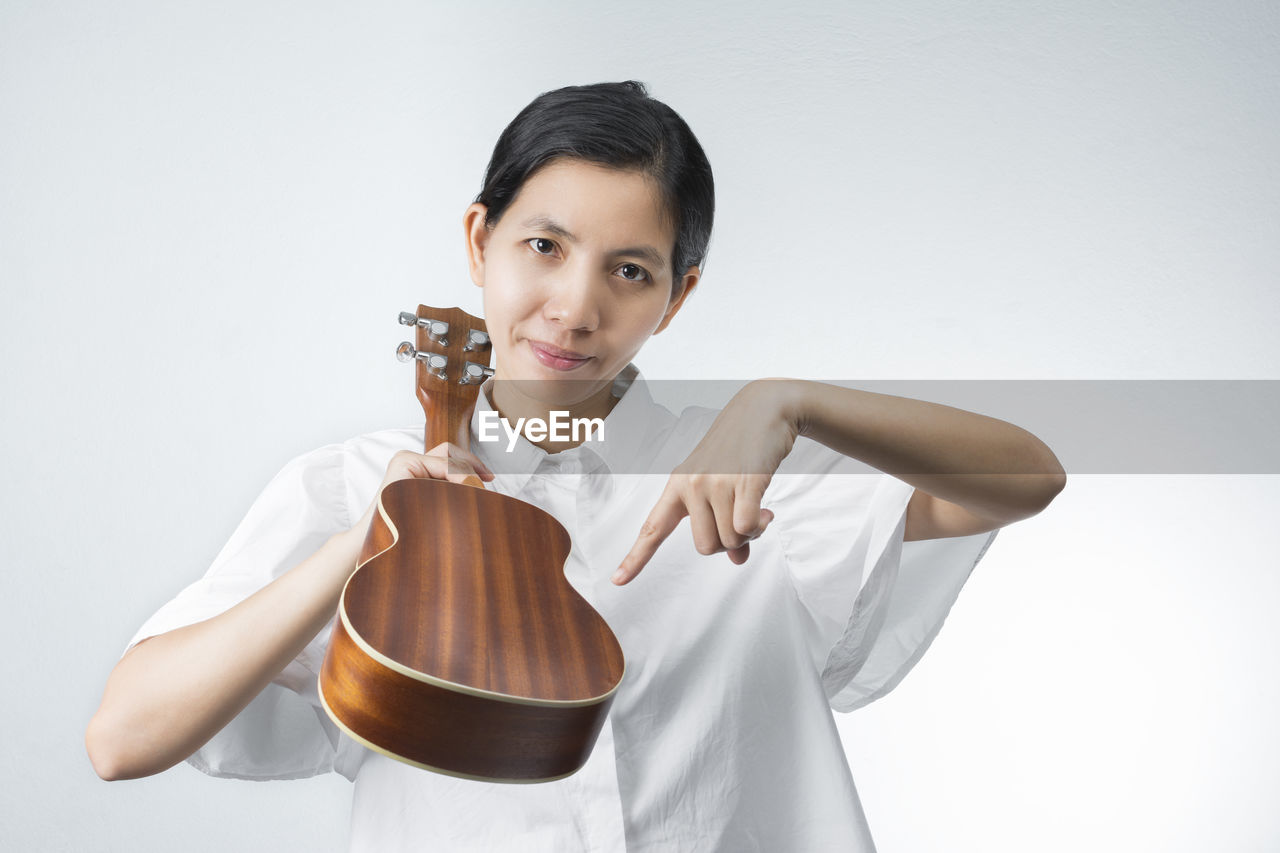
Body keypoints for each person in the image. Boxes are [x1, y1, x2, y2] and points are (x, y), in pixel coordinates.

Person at [86, 80, 1066, 852]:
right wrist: (358, 546)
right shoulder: (349, 490)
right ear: (480, 240)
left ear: (675, 297)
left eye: (628, 270)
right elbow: (123, 738)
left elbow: (1025, 477)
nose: (573, 306)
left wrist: (786, 400)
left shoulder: (743, 475)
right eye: (543, 246)